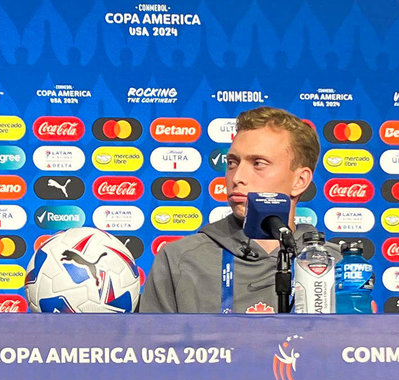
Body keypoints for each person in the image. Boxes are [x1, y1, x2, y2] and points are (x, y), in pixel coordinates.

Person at [139, 106, 337, 314]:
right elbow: (152, 345)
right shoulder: (179, 260)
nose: (237, 177)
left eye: (258, 163)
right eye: (232, 163)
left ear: (300, 181)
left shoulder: (336, 266)